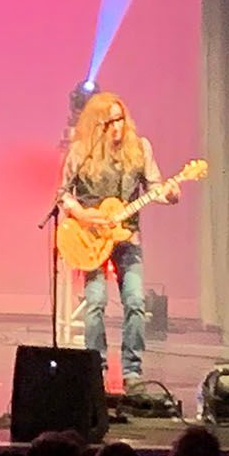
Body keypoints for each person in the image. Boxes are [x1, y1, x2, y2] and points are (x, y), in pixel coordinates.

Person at [59, 92, 180, 392]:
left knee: (136, 301)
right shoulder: (80, 152)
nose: (117, 126)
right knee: (95, 302)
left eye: (120, 118)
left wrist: (171, 194)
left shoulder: (140, 149)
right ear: (97, 125)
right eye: (109, 121)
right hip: (91, 239)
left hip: (128, 237)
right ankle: (95, 367)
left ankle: (132, 371)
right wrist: (83, 214)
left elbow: (155, 188)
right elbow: (63, 194)